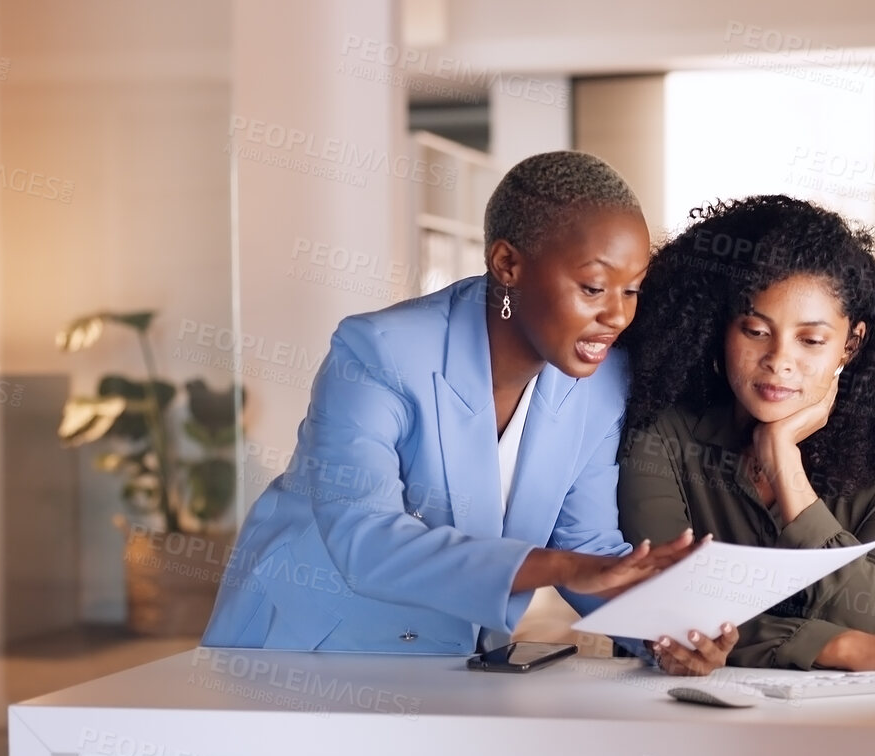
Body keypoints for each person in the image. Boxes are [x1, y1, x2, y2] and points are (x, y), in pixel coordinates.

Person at [203, 151, 706, 654]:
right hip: (302, 642)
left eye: (632, 289)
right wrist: (558, 566)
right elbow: (367, 539)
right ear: (508, 264)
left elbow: (586, 545)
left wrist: (666, 636)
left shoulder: (602, 382)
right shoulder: (377, 352)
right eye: (593, 287)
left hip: (447, 656)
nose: (617, 315)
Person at [617, 195, 875, 674]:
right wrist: (842, 648)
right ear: (722, 331)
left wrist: (786, 466)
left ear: (851, 344)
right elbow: (664, 607)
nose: (779, 360)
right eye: (755, 330)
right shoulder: (662, 434)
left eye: (811, 340)